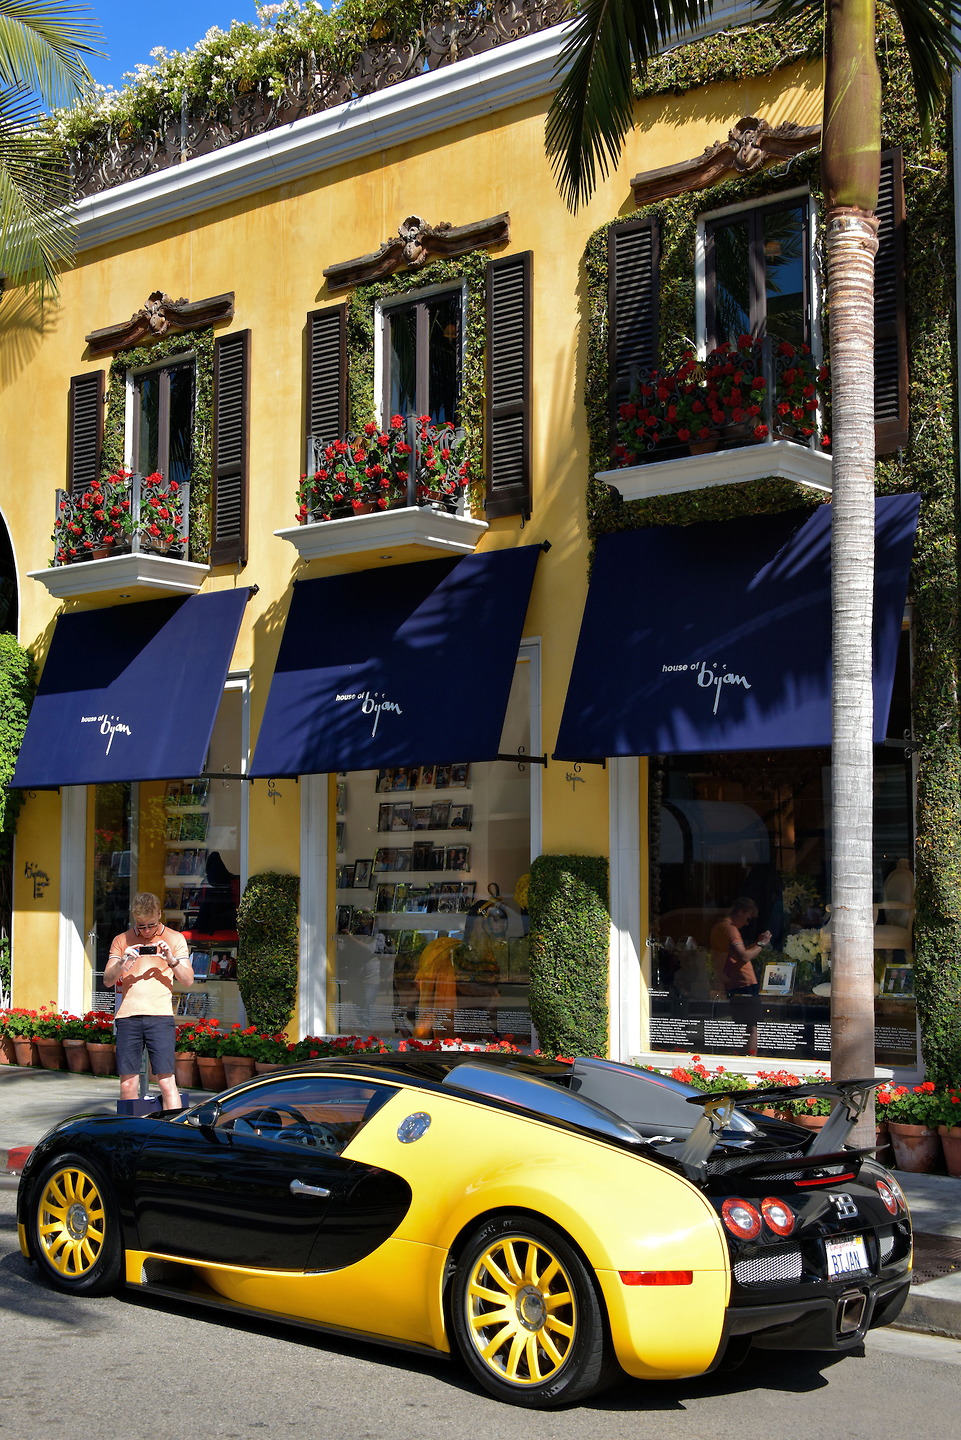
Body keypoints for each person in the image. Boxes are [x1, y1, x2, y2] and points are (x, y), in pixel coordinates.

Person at [102, 891, 193, 1110]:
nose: (146, 932)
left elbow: (188, 980)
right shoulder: (121, 940)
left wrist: (170, 959)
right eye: (140, 926)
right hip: (128, 1017)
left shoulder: (174, 938)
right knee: (127, 1084)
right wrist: (123, 963)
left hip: (160, 1016)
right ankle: (131, 1133)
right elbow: (107, 980)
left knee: (166, 1081)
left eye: (151, 925)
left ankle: (175, 1135)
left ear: (160, 914)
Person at [710, 897, 771, 1057]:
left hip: (732, 981)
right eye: (747, 918)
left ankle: (743, 1054)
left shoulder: (718, 927)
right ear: (740, 912)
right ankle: (752, 1058)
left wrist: (754, 945)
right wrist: (761, 944)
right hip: (744, 984)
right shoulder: (730, 929)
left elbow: (735, 955)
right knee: (752, 1026)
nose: (747, 923)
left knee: (744, 1024)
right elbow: (744, 957)